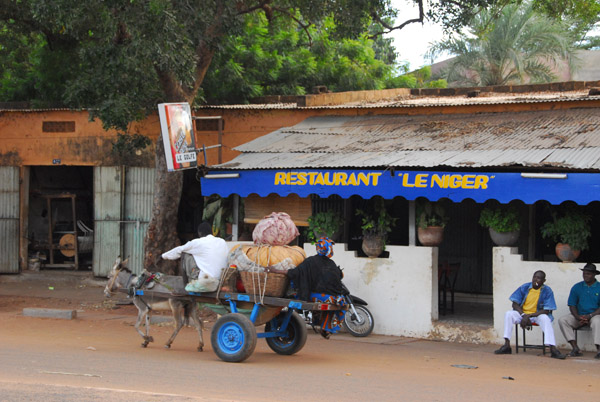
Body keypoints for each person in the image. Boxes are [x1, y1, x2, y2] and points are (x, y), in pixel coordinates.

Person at [494, 270, 566, 359]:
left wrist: (530, 316)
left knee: (545, 319)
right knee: (509, 314)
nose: (536, 279)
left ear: (544, 281)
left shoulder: (547, 291)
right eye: (534, 277)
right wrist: (524, 315)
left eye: (539, 278)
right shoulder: (524, 287)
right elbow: (515, 304)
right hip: (522, 314)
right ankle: (506, 345)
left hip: (536, 316)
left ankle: (553, 349)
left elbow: (547, 310)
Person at [161, 222, 228, 292]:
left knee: (185, 253)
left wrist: (163, 256)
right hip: (220, 280)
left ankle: (189, 282)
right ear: (211, 232)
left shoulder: (199, 242)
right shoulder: (222, 241)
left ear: (199, 233)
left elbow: (179, 250)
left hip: (206, 281)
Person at [558, 263, 600, 358]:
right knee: (563, 320)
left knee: (598, 321)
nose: (585, 276)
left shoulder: (599, 287)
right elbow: (572, 305)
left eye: (588, 274)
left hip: (594, 316)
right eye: (584, 273)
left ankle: (599, 350)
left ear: (594, 275)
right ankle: (575, 348)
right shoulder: (577, 287)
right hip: (579, 316)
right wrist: (577, 317)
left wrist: (590, 316)